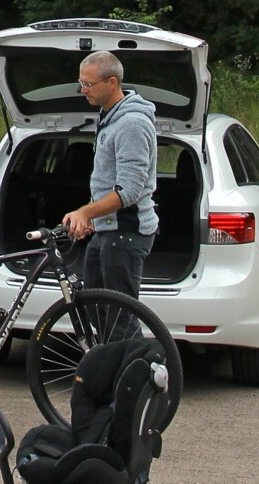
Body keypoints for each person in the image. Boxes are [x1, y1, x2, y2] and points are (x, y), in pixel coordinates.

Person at [63, 51, 158, 314]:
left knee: (120, 319)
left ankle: (150, 358)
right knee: (95, 310)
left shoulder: (131, 124)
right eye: (81, 83)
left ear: (112, 82)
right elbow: (107, 182)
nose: (83, 90)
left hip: (126, 233)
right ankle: (107, 355)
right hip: (109, 230)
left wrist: (85, 212)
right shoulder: (109, 117)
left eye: (89, 84)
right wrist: (94, 219)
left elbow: (128, 191)